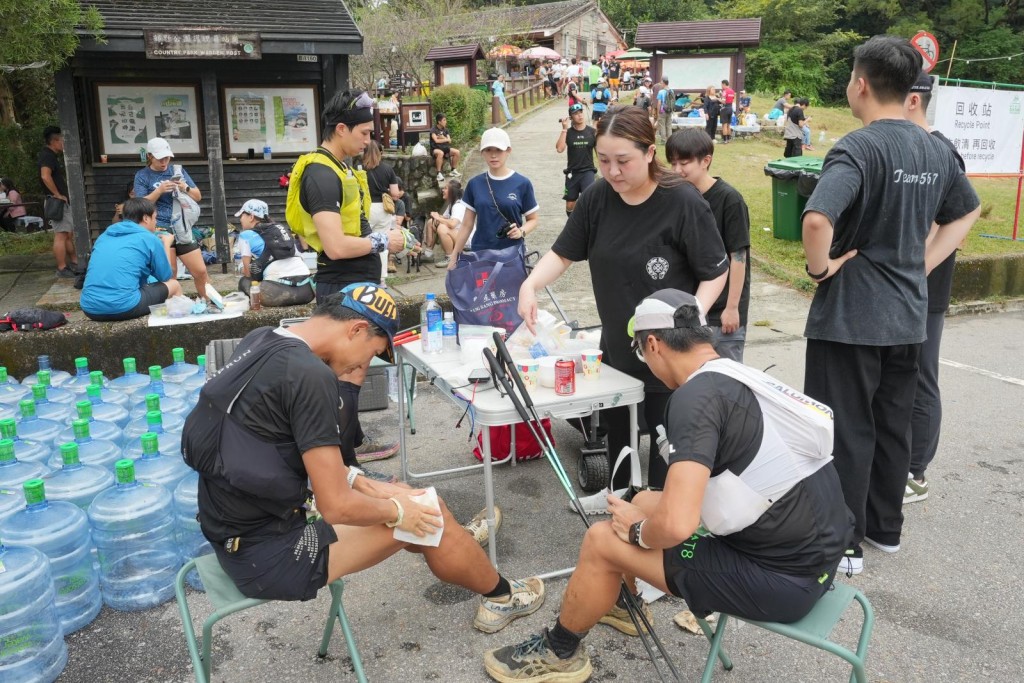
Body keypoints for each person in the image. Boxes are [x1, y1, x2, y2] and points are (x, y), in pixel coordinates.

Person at [483, 289, 855, 683]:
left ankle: (560, 651)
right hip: (817, 552)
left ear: (655, 344)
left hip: (784, 579)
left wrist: (638, 532)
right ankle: (621, 605)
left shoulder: (693, 399)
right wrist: (640, 513)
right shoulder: (733, 372)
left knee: (602, 540)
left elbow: (677, 525)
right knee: (641, 498)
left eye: (642, 353)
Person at [182, 283, 545, 630]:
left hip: (232, 531)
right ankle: (501, 596)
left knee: (409, 500)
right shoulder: (310, 376)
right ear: (356, 329)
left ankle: (457, 545)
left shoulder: (262, 339)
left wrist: (366, 483)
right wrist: (400, 511)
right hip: (268, 557)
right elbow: (337, 507)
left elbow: (270, 445)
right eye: (371, 354)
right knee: (429, 513)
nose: (363, 367)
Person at [801, 36, 981, 575]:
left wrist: (819, 268)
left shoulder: (859, 148)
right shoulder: (935, 147)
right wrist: (920, 264)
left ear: (860, 83)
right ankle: (886, 528)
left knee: (845, 425)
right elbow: (965, 213)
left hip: (851, 316)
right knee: (892, 423)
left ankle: (846, 541)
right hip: (908, 315)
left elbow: (815, 220)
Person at [517, 106, 728, 512]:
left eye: (623, 161)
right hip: (618, 339)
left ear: (649, 153)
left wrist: (690, 315)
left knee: (670, 434)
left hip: (672, 348)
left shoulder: (682, 201)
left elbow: (715, 272)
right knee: (617, 422)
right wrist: (530, 283)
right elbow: (563, 254)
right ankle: (617, 496)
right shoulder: (598, 197)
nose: (613, 172)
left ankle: (665, 511)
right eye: (604, 160)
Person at [285, 89, 408, 466]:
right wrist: (381, 240)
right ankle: (346, 468)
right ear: (341, 129)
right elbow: (336, 246)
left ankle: (350, 445)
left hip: (355, 285)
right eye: (366, 133)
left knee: (352, 372)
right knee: (344, 374)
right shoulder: (321, 174)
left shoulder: (338, 167)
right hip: (342, 287)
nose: (370, 140)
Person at [903, 71, 966, 505]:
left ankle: (915, 473)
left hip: (925, 287)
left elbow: (954, 219)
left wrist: (918, 267)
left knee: (922, 374)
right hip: (898, 286)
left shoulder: (943, 152)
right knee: (898, 376)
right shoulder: (904, 147)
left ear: (911, 100)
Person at [666, 129, 751, 361]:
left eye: (684, 163)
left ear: (706, 161)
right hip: (688, 311)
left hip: (720, 315)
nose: (676, 170)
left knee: (725, 383)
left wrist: (732, 308)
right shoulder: (678, 198)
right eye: (672, 163)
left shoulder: (729, 200)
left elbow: (738, 257)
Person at [80, 198, 182, 321]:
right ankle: (178, 326)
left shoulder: (104, 236)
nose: (156, 222)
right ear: (146, 218)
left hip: (89, 307)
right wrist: (166, 244)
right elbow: (166, 277)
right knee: (174, 285)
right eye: (155, 218)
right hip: (124, 306)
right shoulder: (149, 238)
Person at [133, 136, 210, 299]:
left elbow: (198, 196)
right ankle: (173, 311)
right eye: (160, 158)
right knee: (170, 274)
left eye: (167, 157)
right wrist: (159, 191)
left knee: (201, 271)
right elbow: (140, 205)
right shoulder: (142, 175)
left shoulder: (177, 170)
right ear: (150, 156)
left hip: (181, 226)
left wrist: (185, 187)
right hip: (159, 227)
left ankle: (210, 302)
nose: (164, 162)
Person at [446, 128, 539, 258]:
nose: (493, 155)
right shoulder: (474, 184)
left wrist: (521, 231)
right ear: (482, 153)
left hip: (512, 253)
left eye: (499, 150)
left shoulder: (522, 183)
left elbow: (533, 219)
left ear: (508, 151)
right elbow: (467, 225)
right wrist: (454, 256)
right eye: (488, 150)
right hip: (481, 253)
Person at [38, 126, 79, 277]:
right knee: (61, 234)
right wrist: (57, 194)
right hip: (56, 202)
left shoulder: (51, 156)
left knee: (68, 233)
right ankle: (61, 268)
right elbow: (45, 176)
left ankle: (74, 261)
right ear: (55, 140)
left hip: (60, 202)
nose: (64, 143)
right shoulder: (47, 156)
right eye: (62, 140)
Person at [362, 141, 402, 281]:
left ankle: (366, 276)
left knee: (364, 242)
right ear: (380, 152)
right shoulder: (387, 169)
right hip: (383, 209)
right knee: (382, 242)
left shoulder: (359, 168)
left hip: (366, 208)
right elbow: (395, 193)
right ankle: (382, 278)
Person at [556, 103, 597, 216]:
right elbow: (560, 149)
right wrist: (564, 129)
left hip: (588, 171)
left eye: (581, 112)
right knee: (570, 204)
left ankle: (588, 228)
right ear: (571, 117)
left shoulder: (592, 132)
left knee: (589, 200)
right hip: (572, 173)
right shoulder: (568, 133)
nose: (579, 115)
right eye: (575, 114)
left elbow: (599, 152)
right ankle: (573, 225)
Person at [423, 179, 465, 267]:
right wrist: (436, 216)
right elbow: (445, 218)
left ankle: (450, 257)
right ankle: (428, 254)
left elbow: (452, 224)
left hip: (465, 242)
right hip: (457, 236)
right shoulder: (451, 204)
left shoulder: (458, 205)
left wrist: (439, 218)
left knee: (442, 228)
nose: (443, 190)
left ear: (452, 192)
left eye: (445, 188)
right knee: (431, 222)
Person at [430, 114, 462, 183]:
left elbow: (449, 140)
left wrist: (443, 137)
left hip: (445, 148)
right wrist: (445, 139)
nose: (445, 122)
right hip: (435, 149)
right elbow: (436, 141)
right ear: (439, 122)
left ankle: (453, 170)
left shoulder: (446, 130)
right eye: (444, 120)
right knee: (440, 153)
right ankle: (438, 173)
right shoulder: (433, 130)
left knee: (457, 152)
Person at [655, 77, 673, 143]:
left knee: (662, 126)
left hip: (662, 110)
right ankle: (670, 140)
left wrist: (658, 112)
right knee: (669, 125)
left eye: (661, 83)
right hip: (670, 110)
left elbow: (659, 103)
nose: (661, 84)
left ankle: (663, 140)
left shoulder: (661, 92)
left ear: (664, 83)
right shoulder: (671, 91)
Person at [720, 79, 736, 144]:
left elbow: (723, 101)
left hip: (725, 108)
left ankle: (725, 140)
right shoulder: (732, 91)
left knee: (724, 125)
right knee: (728, 125)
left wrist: (718, 99)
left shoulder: (725, 91)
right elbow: (732, 99)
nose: (721, 86)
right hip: (730, 108)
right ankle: (729, 139)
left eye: (722, 85)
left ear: (724, 84)